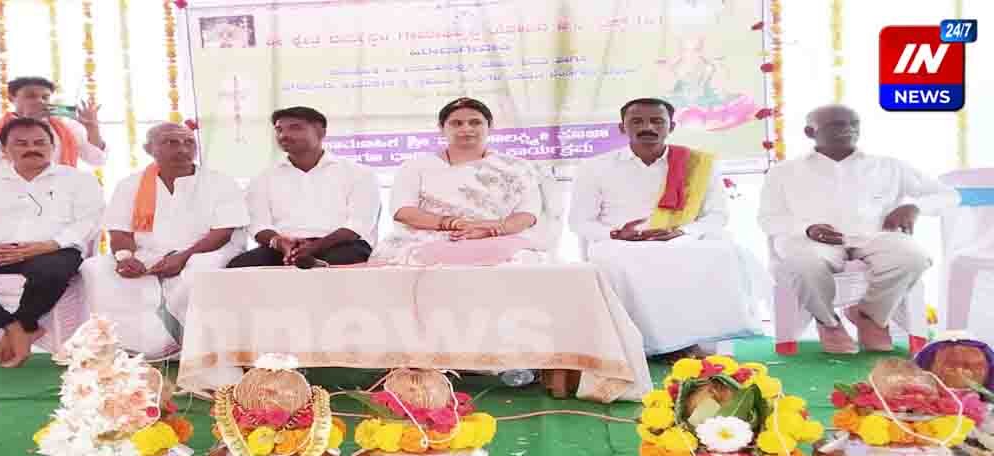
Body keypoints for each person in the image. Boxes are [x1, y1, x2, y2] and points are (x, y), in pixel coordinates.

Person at [569, 97, 763, 358]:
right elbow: (580, 221)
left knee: (723, 254)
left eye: (657, 121)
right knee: (621, 260)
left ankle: (695, 340)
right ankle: (642, 344)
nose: (647, 127)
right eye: (637, 121)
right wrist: (617, 234)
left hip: (682, 239)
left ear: (671, 126)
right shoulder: (595, 167)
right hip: (620, 243)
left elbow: (717, 216)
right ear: (622, 128)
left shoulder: (697, 164)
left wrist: (682, 232)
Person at [759, 104, 959, 354]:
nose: (849, 129)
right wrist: (807, 229)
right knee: (802, 262)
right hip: (813, 242)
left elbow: (948, 195)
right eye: (837, 124)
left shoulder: (888, 166)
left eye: (854, 124)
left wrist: (914, 207)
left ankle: (870, 316)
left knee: (914, 257)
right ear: (810, 132)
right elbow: (768, 218)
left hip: (875, 236)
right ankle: (829, 323)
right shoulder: (783, 172)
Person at [0, 118, 103, 368]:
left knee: (50, 272)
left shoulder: (78, 180)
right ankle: (12, 327)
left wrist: (49, 245)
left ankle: (23, 325)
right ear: (4, 149)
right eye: (21, 143)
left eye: (40, 142)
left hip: (53, 251)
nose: (31, 148)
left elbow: (89, 221)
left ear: (52, 146)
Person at [80, 122, 248, 358]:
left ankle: (197, 350)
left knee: (197, 272)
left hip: (206, 252)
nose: (182, 149)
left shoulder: (220, 182)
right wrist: (125, 258)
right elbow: (119, 230)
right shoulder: (130, 184)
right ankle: (138, 348)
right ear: (149, 149)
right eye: (171, 142)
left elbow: (223, 232)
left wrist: (183, 257)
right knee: (95, 269)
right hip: (147, 253)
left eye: (189, 142)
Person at [374, 97, 545, 265]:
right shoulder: (415, 166)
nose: (466, 128)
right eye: (456, 123)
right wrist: (453, 224)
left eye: (475, 122)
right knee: (414, 256)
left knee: (515, 257)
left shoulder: (517, 167)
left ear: (490, 126)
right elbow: (403, 211)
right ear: (442, 128)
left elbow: (527, 214)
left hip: (497, 236)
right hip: (428, 238)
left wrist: (489, 230)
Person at [228, 106, 379, 268]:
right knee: (240, 265)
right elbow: (258, 224)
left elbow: (358, 224)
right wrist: (282, 243)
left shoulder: (358, 173)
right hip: (283, 247)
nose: (284, 135)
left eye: (295, 128)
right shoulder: (263, 178)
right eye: (279, 130)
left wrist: (314, 247)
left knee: (340, 261)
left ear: (321, 132)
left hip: (341, 245)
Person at [0, 76, 106, 168]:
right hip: (12, 189)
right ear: (11, 98)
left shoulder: (68, 128)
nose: (40, 101)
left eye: (45, 97)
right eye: (31, 96)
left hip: (61, 189)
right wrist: (27, 121)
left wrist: (92, 128)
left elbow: (97, 160)